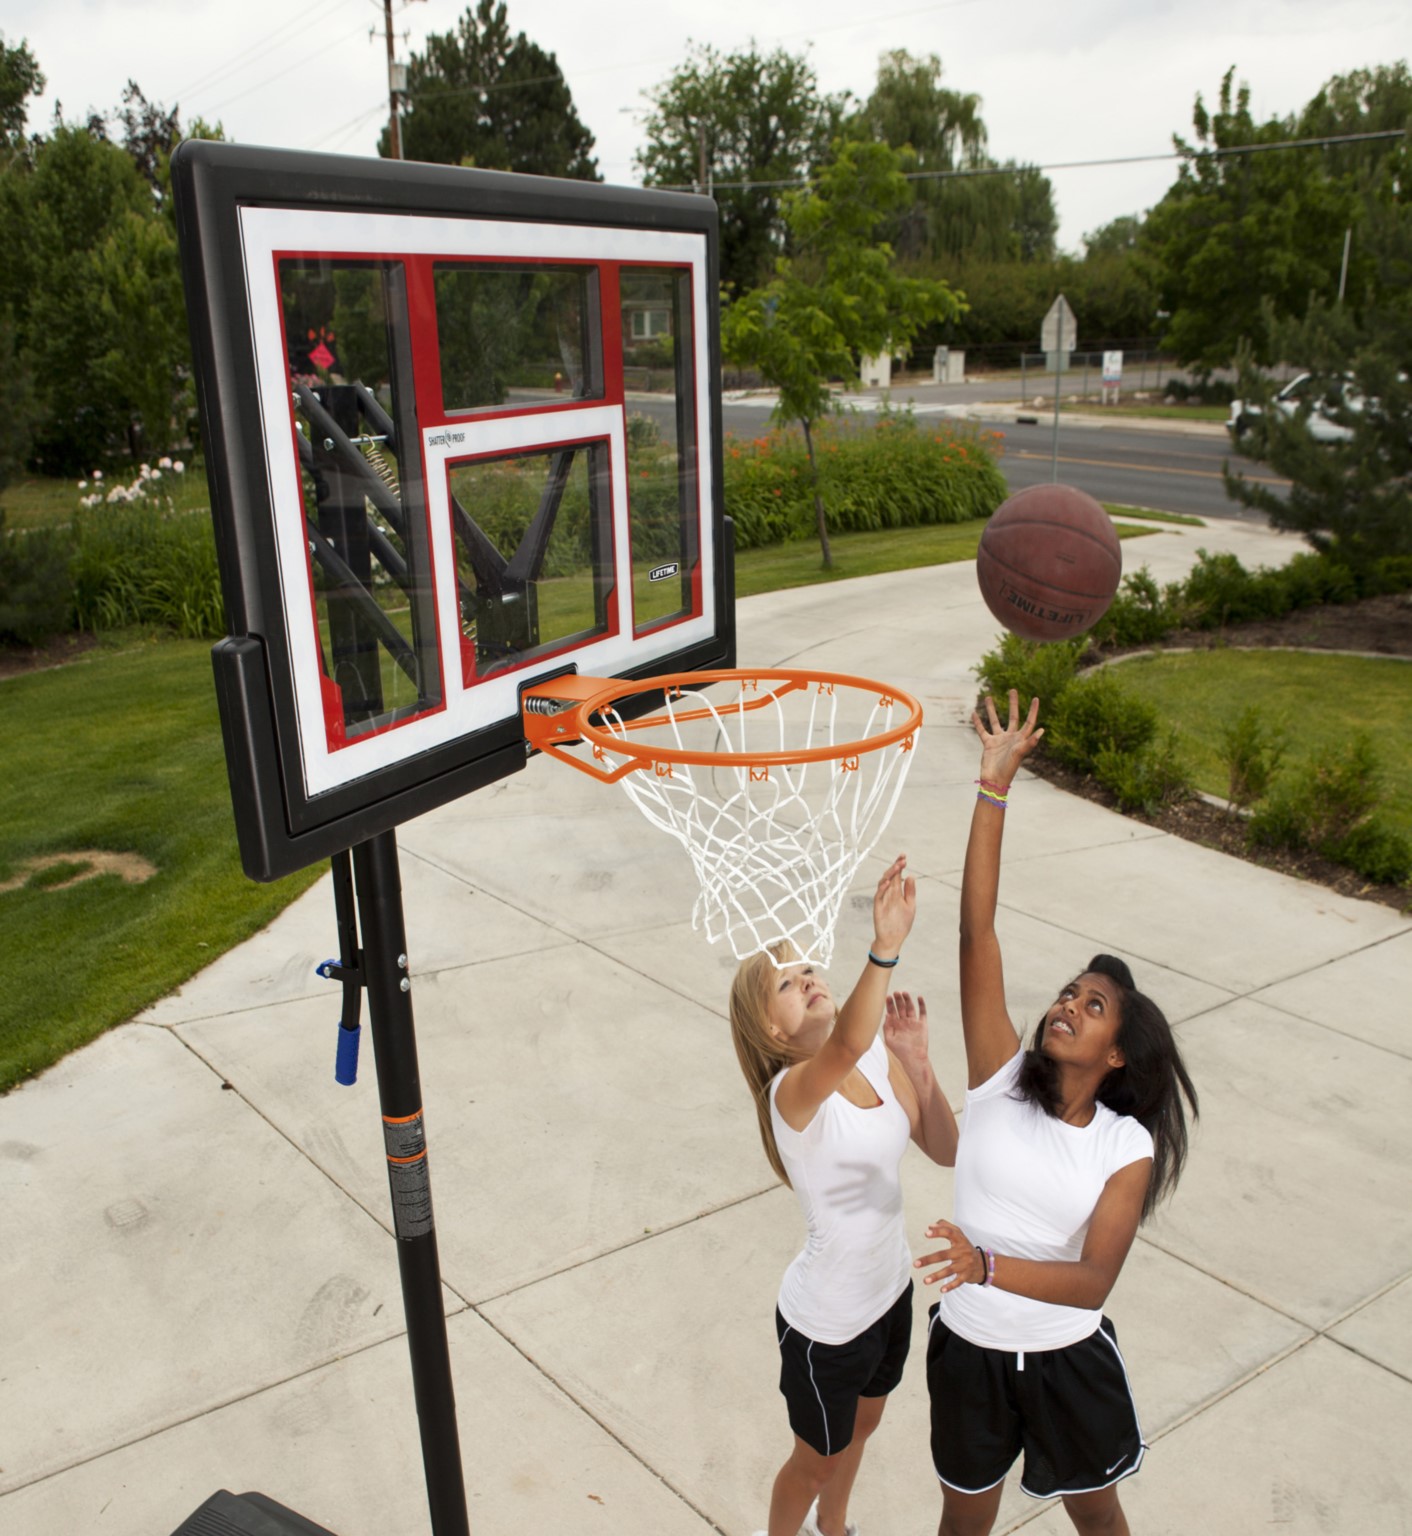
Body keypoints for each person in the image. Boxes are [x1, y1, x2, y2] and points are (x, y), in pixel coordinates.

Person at [915, 691, 1198, 1536]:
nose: (1070, 1002)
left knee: (1096, 1514)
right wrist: (992, 787)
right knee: (963, 1519)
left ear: (1118, 1054)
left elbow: (1091, 1285)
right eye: (1071, 991)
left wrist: (986, 1264)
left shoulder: (1124, 1146)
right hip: (969, 1350)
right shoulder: (999, 1076)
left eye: (1096, 1005)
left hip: (1065, 1359)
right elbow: (976, 933)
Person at [730, 856, 960, 1536]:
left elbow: (946, 1149)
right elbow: (852, 1035)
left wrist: (919, 1066)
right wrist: (884, 944)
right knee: (815, 1460)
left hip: (888, 1294)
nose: (808, 980)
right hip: (825, 1324)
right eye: (788, 983)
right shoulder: (790, 1093)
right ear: (773, 1029)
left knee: (864, 1427)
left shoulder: (874, 1055)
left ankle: (834, 1530)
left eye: (809, 971)